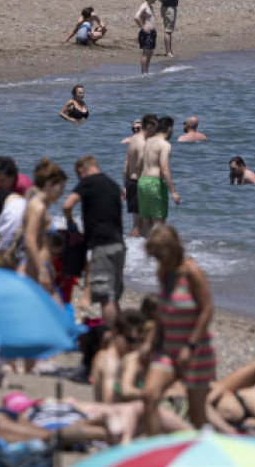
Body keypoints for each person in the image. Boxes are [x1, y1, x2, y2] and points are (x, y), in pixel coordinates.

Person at [142, 225, 215, 433]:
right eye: (153, 255)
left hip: (195, 351)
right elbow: (162, 313)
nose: (157, 259)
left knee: (197, 415)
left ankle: (205, 456)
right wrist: (149, 343)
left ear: (172, 249)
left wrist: (190, 346)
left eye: (159, 254)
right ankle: (155, 450)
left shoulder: (192, 272)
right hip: (167, 349)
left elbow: (207, 309)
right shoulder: (164, 273)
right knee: (150, 396)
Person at [62, 154, 125, 329]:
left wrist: (70, 222)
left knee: (106, 298)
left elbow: (67, 205)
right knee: (114, 295)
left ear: (82, 170)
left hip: (102, 245)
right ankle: (120, 333)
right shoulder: (113, 185)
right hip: (119, 244)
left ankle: (111, 336)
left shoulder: (88, 182)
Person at [22, 158, 68, 296]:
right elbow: (29, 240)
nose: (61, 194)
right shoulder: (38, 206)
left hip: (41, 266)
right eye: (60, 188)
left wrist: (50, 266)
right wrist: (41, 271)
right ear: (49, 184)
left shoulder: (37, 204)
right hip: (36, 268)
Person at [138, 116, 180, 236]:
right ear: (169, 128)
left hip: (142, 182)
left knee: (146, 221)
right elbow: (164, 168)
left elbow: (139, 164)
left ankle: (139, 251)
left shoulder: (147, 141)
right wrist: (173, 191)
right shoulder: (165, 144)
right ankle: (157, 251)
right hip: (154, 183)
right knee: (158, 221)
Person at [124, 114, 157, 238]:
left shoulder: (132, 142)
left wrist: (124, 186)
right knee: (146, 223)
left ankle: (133, 250)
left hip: (131, 182)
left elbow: (125, 166)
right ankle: (139, 251)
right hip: (141, 182)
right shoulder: (144, 142)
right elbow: (141, 161)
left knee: (137, 224)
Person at [135, 0, 158, 75]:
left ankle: (147, 71)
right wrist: (143, 27)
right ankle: (143, 72)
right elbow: (136, 17)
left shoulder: (150, 6)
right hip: (146, 33)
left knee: (150, 53)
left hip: (152, 32)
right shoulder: (144, 6)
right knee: (146, 53)